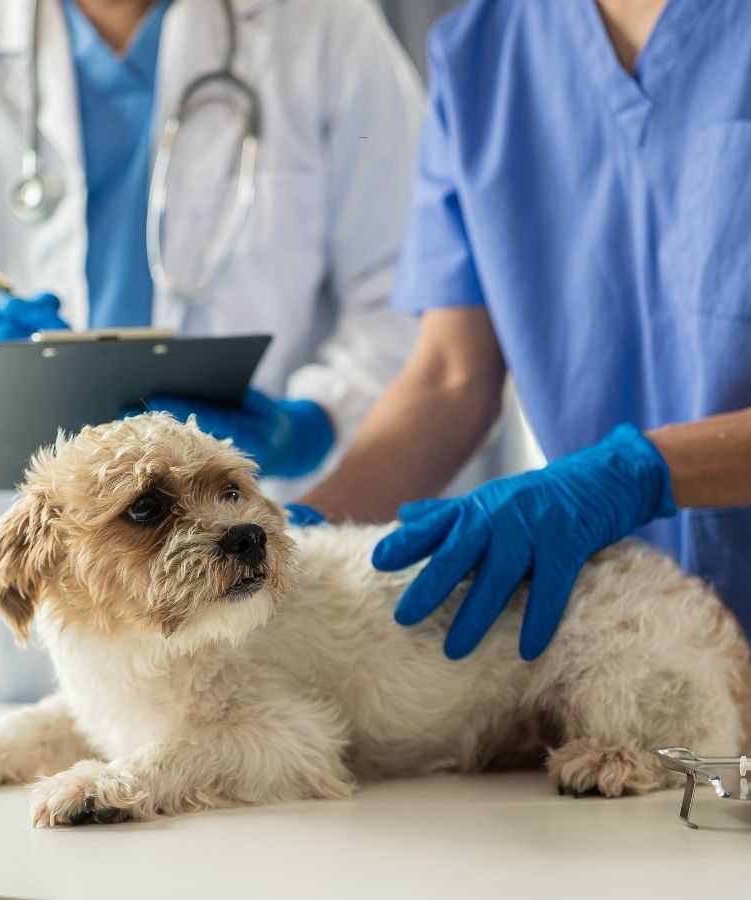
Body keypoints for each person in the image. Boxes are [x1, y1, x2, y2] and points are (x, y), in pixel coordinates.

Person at [0, 0, 429, 701]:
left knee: (237, 766)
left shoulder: (324, 30)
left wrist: (315, 419)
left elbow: (410, 290)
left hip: (238, 590)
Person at [299, 0, 751, 659]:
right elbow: (452, 377)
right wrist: (292, 533)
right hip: (638, 645)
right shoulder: (484, 52)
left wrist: (640, 473)